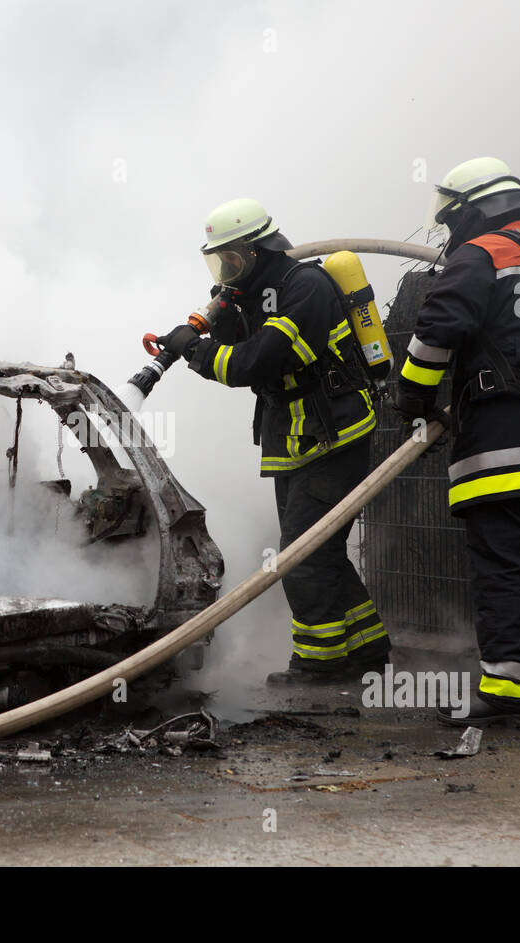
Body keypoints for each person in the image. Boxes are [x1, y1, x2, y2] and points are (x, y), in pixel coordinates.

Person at [158, 198, 391, 684]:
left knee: (300, 554)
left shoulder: (305, 287)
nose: (226, 270)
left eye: (233, 258)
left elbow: (255, 363)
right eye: (219, 260)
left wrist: (195, 351)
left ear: (258, 249)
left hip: (334, 436)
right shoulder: (248, 294)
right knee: (320, 550)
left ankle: (318, 665)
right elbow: (237, 342)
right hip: (293, 438)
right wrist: (203, 327)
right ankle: (367, 652)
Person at [394, 157, 520, 728]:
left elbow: (439, 330)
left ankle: (509, 694)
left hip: (506, 443)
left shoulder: (482, 253)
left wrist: (411, 398)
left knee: (509, 568)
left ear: (472, 209)